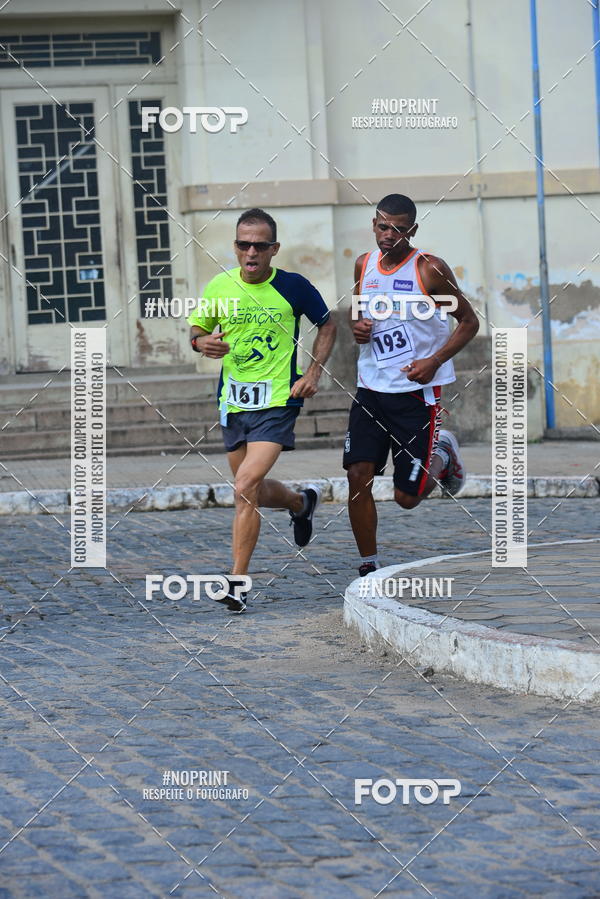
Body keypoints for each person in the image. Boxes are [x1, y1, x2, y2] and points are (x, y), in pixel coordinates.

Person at [188, 208, 336, 612]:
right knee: (248, 490)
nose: (251, 252)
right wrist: (202, 344)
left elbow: (327, 324)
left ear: (274, 249)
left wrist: (313, 372)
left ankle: (237, 583)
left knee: (242, 487)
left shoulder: (294, 287)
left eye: (259, 245)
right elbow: (197, 331)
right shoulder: (220, 286)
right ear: (235, 247)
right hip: (233, 403)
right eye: (243, 244)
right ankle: (300, 503)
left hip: (278, 401)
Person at [343, 193, 480, 576]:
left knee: (406, 497)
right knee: (358, 476)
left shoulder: (429, 270)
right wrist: (359, 328)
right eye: (383, 226)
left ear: (412, 230)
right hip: (370, 389)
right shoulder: (363, 264)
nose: (389, 235)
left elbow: (469, 322)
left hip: (415, 395)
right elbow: (359, 310)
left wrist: (434, 361)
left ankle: (445, 454)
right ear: (373, 223)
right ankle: (368, 565)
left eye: (399, 230)